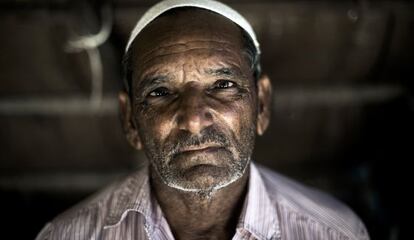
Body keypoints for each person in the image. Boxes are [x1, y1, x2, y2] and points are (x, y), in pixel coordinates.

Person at [36, 0, 369, 239]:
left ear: (262, 105)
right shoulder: (68, 235)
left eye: (223, 85)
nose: (194, 121)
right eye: (161, 92)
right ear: (130, 120)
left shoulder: (333, 232)